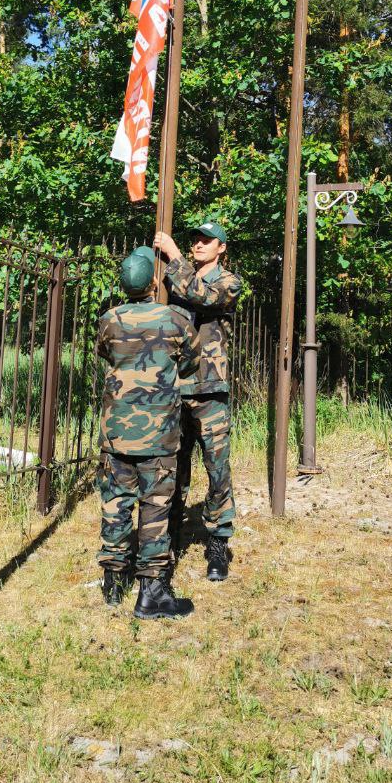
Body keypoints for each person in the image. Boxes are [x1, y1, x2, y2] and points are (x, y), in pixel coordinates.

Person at [96, 244, 200, 620]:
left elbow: (106, 355)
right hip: (159, 433)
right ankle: (152, 592)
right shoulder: (174, 319)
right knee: (155, 508)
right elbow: (190, 364)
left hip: (116, 431)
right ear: (154, 281)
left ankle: (113, 578)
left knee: (115, 503)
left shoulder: (109, 320)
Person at [154, 221, 242, 582]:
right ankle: (170, 537)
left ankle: (218, 542)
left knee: (217, 468)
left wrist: (174, 256)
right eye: (195, 240)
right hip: (175, 386)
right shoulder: (174, 277)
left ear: (222, 247)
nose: (198, 244)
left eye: (207, 240)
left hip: (209, 391)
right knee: (173, 466)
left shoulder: (229, 282)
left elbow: (202, 296)